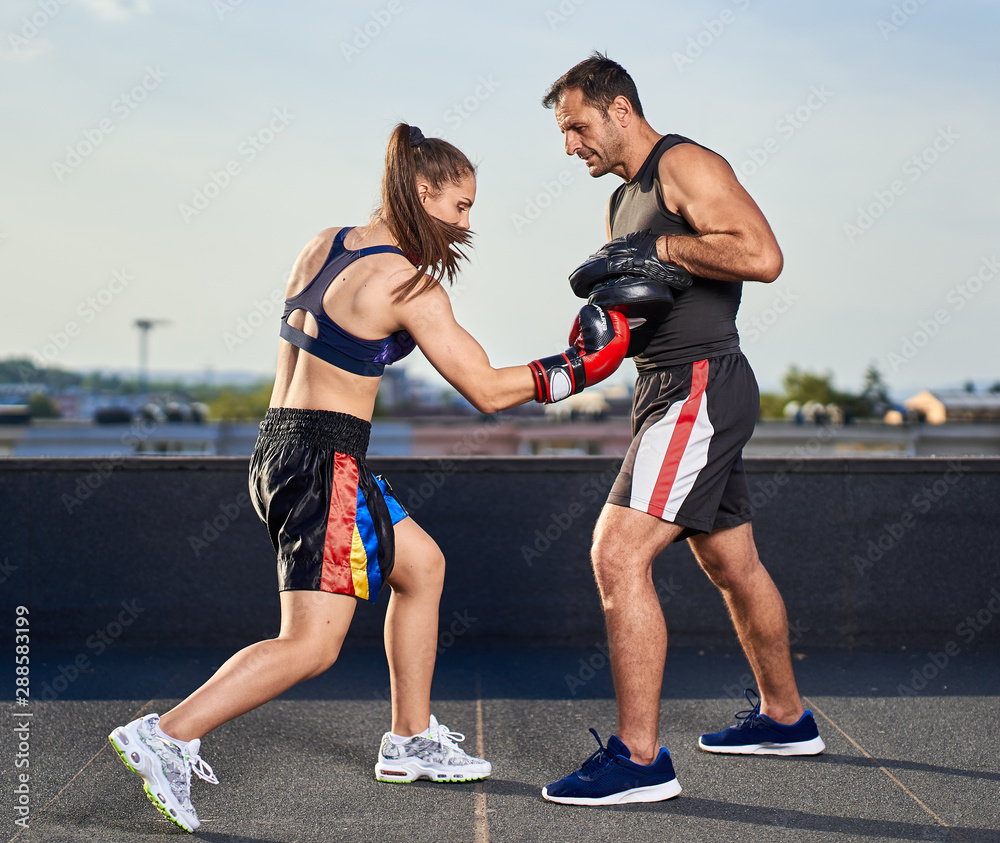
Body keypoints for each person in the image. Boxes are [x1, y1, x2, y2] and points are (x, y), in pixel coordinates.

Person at [109, 123, 630, 832]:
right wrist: (579, 366)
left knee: (422, 566)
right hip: (326, 465)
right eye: (462, 206)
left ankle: (409, 738)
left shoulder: (325, 242)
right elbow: (484, 388)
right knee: (312, 645)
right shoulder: (409, 284)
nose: (468, 224)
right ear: (423, 192)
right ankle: (167, 734)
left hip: (282, 448)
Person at [538, 54, 825, 807]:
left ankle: (639, 760)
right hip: (664, 384)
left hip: (699, 385)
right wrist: (583, 355)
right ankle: (786, 717)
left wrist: (664, 248)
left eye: (576, 126)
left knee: (615, 552)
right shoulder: (620, 202)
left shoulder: (684, 164)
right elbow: (640, 313)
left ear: (620, 109)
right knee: (733, 564)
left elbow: (761, 255)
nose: (571, 145)